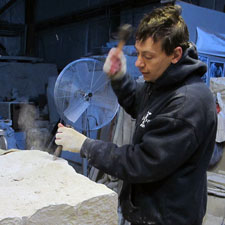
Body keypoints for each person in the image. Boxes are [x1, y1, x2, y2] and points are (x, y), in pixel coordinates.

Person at [55, 5, 217, 225]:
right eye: (138, 53)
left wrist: (86, 145)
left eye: (148, 56)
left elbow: (142, 162)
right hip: (147, 210)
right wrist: (119, 77)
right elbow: (138, 101)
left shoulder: (188, 104)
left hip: (168, 218)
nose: (139, 63)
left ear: (175, 54)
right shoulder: (162, 82)